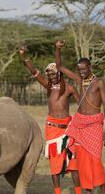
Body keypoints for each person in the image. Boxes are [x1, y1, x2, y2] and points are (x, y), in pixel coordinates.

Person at [19, 46, 81, 194]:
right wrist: (25, 56)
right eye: (50, 75)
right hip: (52, 129)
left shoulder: (69, 88)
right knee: (55, 163)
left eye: (54, 74)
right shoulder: (48, 87)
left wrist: (83, 123)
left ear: (60, 74)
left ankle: (79, 192)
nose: (52, 77)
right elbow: (34, 72)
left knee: (73, 163)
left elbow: (82, 105)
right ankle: (57, 192)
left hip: (68, 128)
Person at [55, 40, 105, 194]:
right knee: (82, 162)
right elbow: (59, 66)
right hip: (80, 124)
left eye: (84, 69)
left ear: (90, 67)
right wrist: (57, 49)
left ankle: (103, 191)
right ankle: (88, 192)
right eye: (79, 69)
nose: (81, 72)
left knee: (95, 161)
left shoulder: (99, 83)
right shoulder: (80, 81)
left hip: (94, 126)